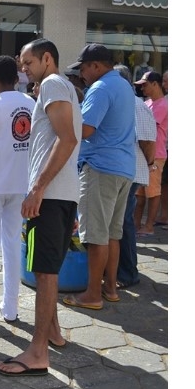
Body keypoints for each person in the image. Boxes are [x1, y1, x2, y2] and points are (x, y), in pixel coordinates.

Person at [0, 39, 82, 378]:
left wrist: (37, 188)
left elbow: (68, 138)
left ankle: (37, 351)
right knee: (49, 268)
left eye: (29, 62)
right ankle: (54, 334)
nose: (24, 69)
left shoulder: (52, 83)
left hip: (51, 195)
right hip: (61, 194)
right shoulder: (60, 87)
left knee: (44, 272)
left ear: (48, 58)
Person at [69, 44, 138, 311]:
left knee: (96, 235)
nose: (82, 74)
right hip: (124, 169)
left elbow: (85, 129)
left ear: (96, 66)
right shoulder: (123, 85)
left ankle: (92, 294)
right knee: (112, 234)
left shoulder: (100, 88)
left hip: (101, 168)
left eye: (83, 68)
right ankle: (110, 288)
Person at [118, 77, 159, 288]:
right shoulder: (127, 102)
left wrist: (150, 163)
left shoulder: (136, 105)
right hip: (123, 171)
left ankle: (127, 273)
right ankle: (121, 270)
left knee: (124, 222)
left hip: (131, 172)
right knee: (120, 222)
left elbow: (148, 142)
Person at [135, 69, 167, 236]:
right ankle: (136, 224)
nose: (142, 88)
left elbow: (147, 128)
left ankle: (149, 226)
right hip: (142, 153)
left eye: (145, 85)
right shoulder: (146, 104)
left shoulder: (163, 105)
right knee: (139, 193)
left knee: (153, 192)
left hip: (156, 155)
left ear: (155, 84)